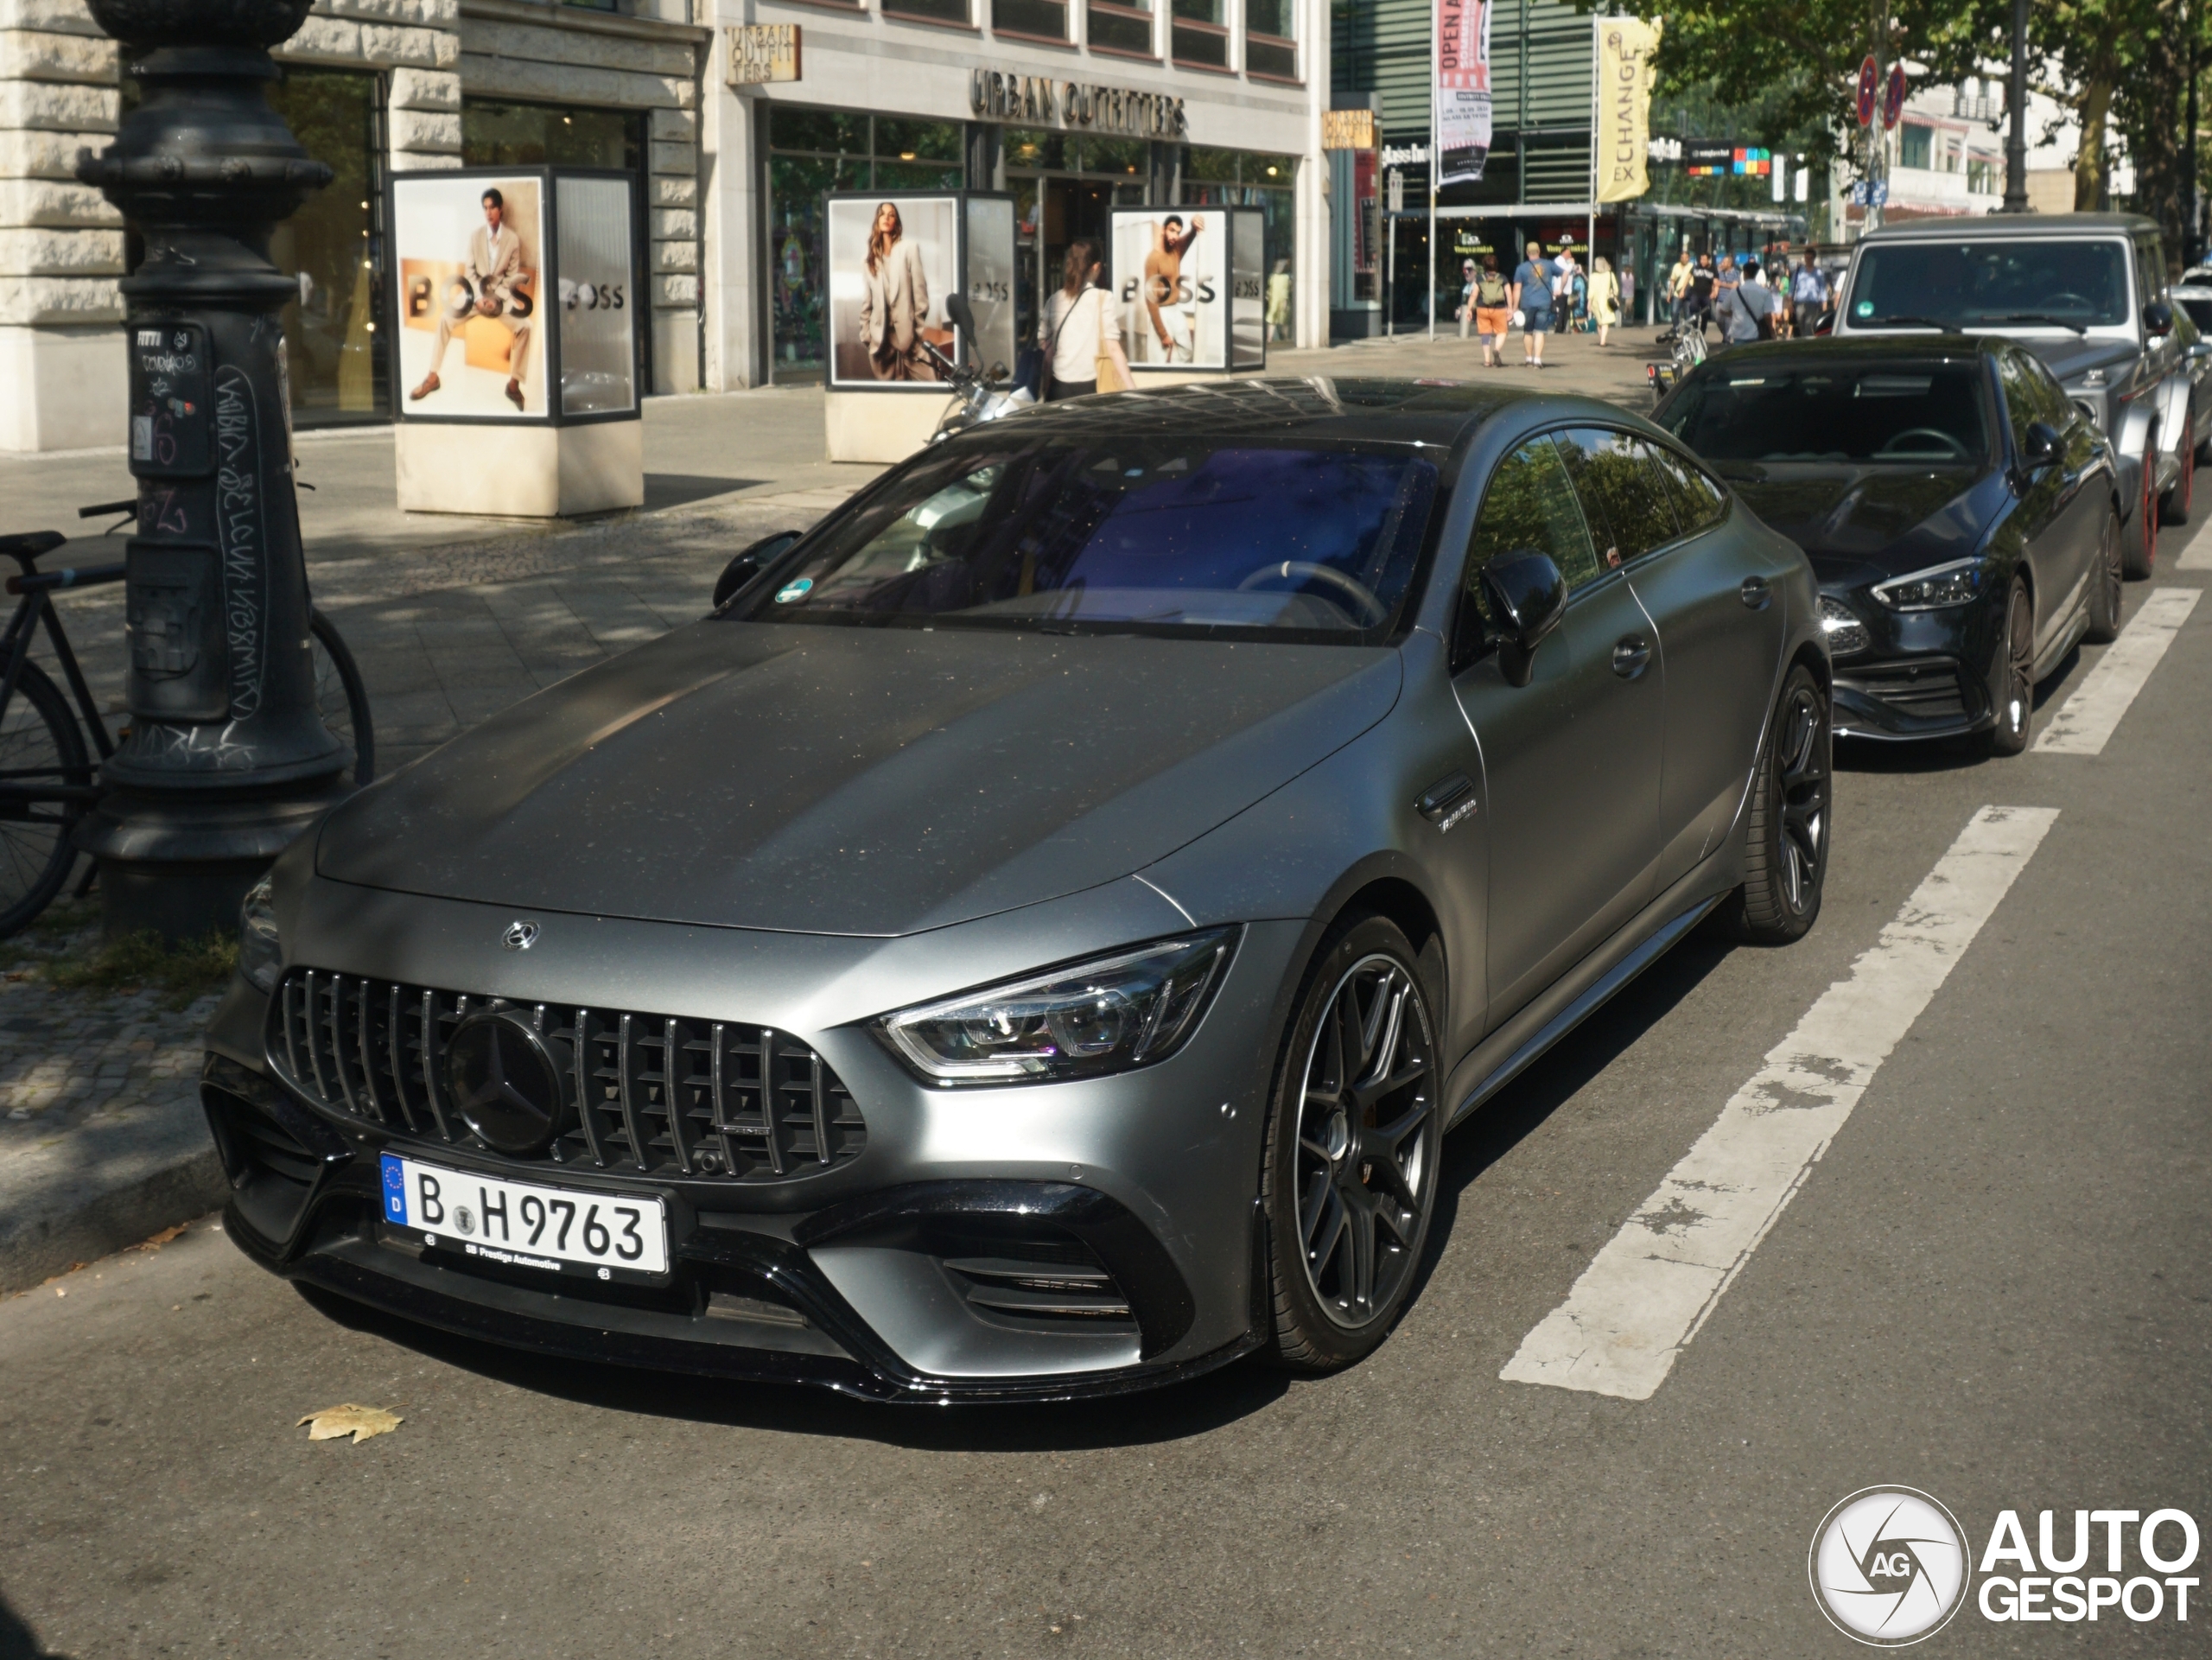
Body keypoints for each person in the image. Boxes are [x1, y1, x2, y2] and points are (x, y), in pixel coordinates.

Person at [410, 187, 531, 411]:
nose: (488, 212)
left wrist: (496, 300)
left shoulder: (512, 240)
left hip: (500, 299)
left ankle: (514, 385)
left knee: (526, 326)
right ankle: (432, 377)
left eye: (492, 207)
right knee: (445, 319)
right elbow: (470, 273)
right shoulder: (475, 237)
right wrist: (477, 298)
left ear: (500, 209)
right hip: (475, 296)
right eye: (485, 208)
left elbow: (511, 277)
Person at [1040, 239, 1133, 401]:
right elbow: (1113, 348)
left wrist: (1043, 386)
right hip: (1090, 387)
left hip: (1058, 388)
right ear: (1096, 267)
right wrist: (1131, 387)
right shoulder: (1104, 298)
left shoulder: (1055, 299)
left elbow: (1045, 347)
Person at [859, 200, 932, 382]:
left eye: (891, 214)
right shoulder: (869, 259)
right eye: (882, 214)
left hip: (909, 336)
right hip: (881, 340)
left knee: (930, 386)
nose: (886, 217)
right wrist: (866, 336)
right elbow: (867, 302)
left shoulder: (909, 249)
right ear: (877, 220)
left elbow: (920, 295)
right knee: (889, 396)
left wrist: (918, 335)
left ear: (896, 222)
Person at [1142, 213, 1204, 362]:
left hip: (1175, 309)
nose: (1175, 236)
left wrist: (1194, 225)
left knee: (1186, 350)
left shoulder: (1175, 250)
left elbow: (1189, 237)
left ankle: (1172, 376)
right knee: (1157, 360)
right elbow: (1151, 300)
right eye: (1171, 230)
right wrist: (1163, 334)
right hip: (1160, 311)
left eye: (1177, 232)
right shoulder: (1153, 258)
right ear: (1163, 230)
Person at [1512, 239, 1556, 367]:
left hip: (1527, 304)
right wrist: (1560, 287)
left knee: (1528, 332)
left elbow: (1517, 288)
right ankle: (1537, 360)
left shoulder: (1521, 268)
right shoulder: (1549, 264)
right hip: (1544, 303)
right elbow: (1565, 272)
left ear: (1527, 252)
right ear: (1539, 252)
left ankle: (1528, 359)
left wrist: (1515, 307)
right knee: (1541, 331)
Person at [1472, 252, 1512, 366]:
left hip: (1482, 309)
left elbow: (1474, 294)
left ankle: (1486, 360)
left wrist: (1470, 308)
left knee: (1485, 333)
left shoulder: (1480, 278)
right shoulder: (1502, 278)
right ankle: (1497, 350)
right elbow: (1508, 294)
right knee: (1502, 332)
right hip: (1499, 309)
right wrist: (1510, 308)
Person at [1587, 254, 1619, 347]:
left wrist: (1589, 303)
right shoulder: (1610, 274)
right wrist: (1614, 295)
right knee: (1605, 322)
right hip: (1607, 301)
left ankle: (1602, 339)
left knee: (1600, 322)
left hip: (1595, 302)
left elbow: (1591, 290)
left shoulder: (1593, 276)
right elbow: (1615, 288)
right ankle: (1603, 340)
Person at [1666, 247, 1696, 324]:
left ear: (1688, 258)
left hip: (1688, 293)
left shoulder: (1692, 266)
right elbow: (1673, 281)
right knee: (1674, 312)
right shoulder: (1676, 266)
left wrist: (1683, 291)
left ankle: (1688, 332)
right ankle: (1676, 329)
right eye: (1682, 257)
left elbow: (1689, 279)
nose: (1684, 259)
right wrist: (1669, 294)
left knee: (1688, 315)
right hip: (1677, 293)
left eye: (1686, 258)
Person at [1266, 258, 1292, 342]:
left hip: (1273, 302)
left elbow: (1269, 289)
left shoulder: (1273, 277)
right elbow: (1286, 291)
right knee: (1285, 322)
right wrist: (1285, 301)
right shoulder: (1286, 277)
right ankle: (1285, 338)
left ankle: (1269, 338)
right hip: (1283, 302)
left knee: (1272, 321)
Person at [1456, 258, 1478, 340]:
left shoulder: (1479, 285)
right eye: (1464, 270)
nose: (1466, 273)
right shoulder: (1465, 288)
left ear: (1475, 271)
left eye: (1469, 269)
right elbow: (1464, 303)